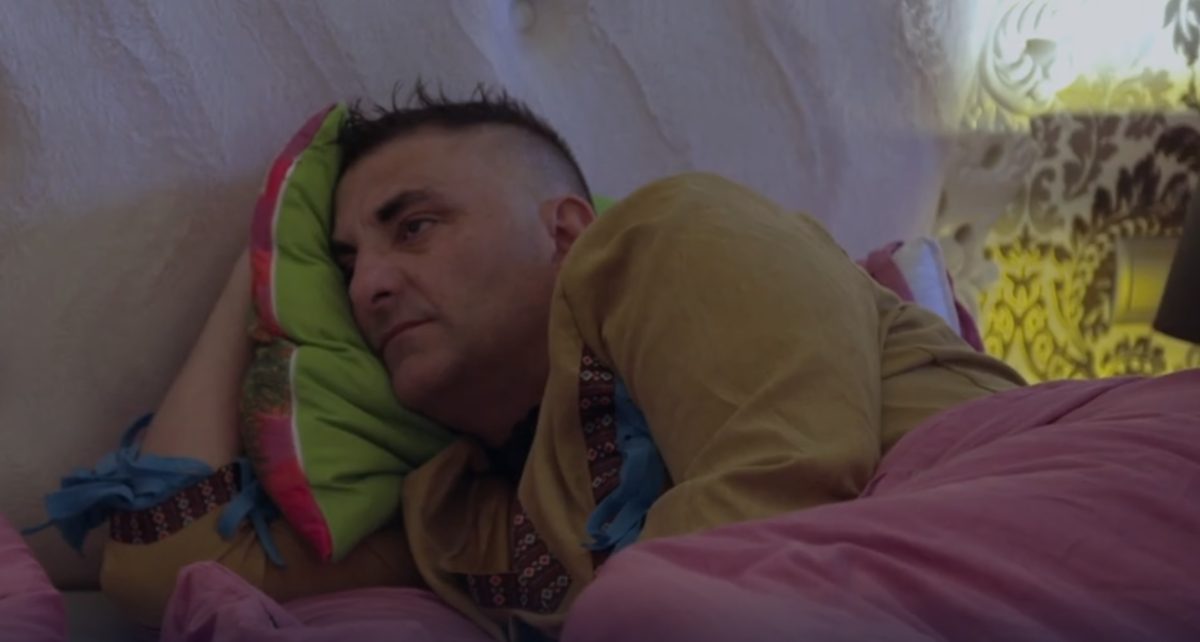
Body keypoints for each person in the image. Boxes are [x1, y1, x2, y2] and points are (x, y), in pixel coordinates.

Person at [99, 84, 1024, 638]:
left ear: (568, 230)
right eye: (343, 268)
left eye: (414, 227)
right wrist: (256, 273)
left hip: (1035, 501)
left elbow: (781, 497)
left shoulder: (672, 232)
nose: (368, 286)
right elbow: (164, 571)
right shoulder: (457, 516)